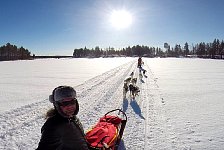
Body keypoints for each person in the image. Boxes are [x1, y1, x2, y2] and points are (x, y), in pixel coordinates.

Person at [36, 85, 89, 150]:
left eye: (72, 102)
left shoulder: (73, 118)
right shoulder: (52, 126)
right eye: (65, 103)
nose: (70, 106)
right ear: (57, 105)